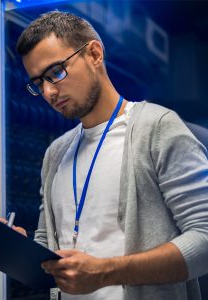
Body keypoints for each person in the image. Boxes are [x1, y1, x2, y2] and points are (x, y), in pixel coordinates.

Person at [13, 11, 208, 300]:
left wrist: (106, 271)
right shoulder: (56, 153)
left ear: (94, 53)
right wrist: (23, 251)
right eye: (38, 82)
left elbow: (204, 237)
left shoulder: (156, 128)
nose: (49, 92)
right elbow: (52, 246)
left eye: (55, 72)